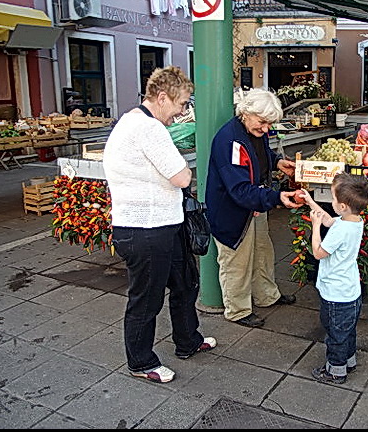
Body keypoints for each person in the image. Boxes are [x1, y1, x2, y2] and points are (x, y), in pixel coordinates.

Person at [103, 66, 216, 384]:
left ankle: (188, 340)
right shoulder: (149, 128)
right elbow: (182, 177)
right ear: (162, 97)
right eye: (181, 104)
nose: (182, 112)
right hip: (145, 231)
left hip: (163, 225)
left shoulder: (133, 121)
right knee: (146, 299)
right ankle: (140, 361)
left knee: (185, 283)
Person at [205, 88, 301, 328]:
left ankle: (267, 295)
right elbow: (238, 189)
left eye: (269, 123)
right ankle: (237, 310)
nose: (266, 128)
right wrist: (278, 197)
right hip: (233, 210)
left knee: (262, 252)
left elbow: (261, 154)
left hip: (255, 203)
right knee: (236, 260)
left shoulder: (254, 131)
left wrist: (277, 162)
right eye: (262, 122)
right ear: (246, 113)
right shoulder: (229, 140)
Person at [298, 172, 368, 384]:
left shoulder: (341, 231)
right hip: (350, 291)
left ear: (342, 206)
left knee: (335, 334)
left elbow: (319, 253)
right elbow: (330, 220)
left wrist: (314, 227)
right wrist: (311, 201)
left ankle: (335, 371)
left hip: (336, 295)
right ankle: (349, 361)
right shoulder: (354, 221)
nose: (331, 202)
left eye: (333, 199)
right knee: (347, 331)